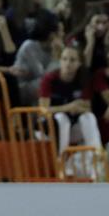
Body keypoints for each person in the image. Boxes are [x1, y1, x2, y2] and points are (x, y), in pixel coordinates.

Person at [39, 45, 102, 173]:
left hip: (72, 128)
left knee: (88, 117)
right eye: (64, 59)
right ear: (60, 61)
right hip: (50, 128)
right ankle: (61, 161)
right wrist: (67, 107)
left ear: (79, 63)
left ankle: (97, 159)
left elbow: (87, 107)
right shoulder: (49, 79)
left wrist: (79, 108)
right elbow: (42, 110)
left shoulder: (83, 79)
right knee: (62, 118)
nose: (68, 63)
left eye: (72, 60)